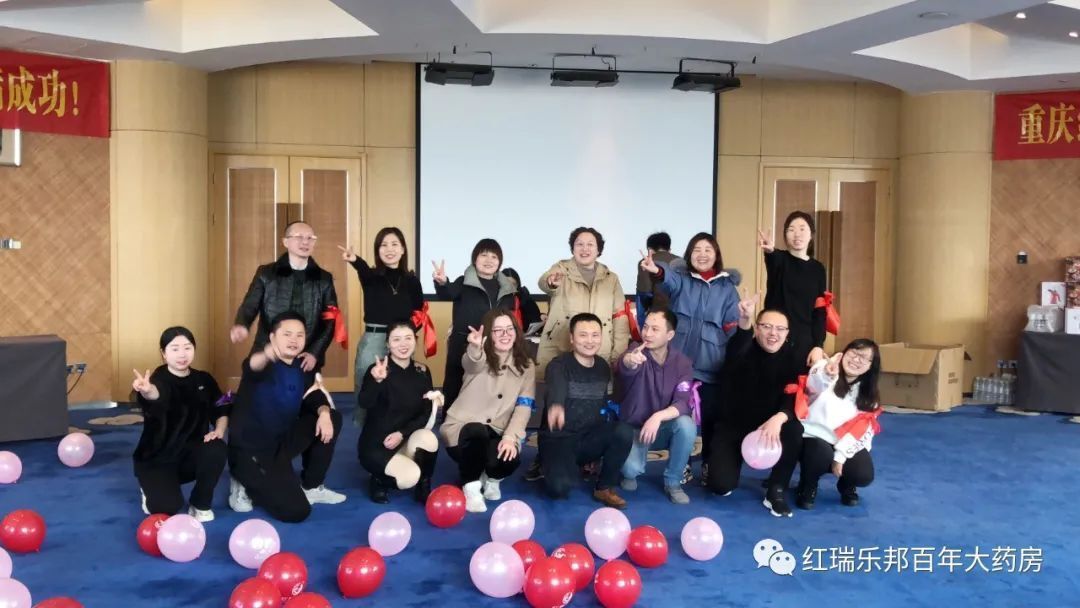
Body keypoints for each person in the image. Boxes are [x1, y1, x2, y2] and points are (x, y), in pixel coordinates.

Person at [525, 227, 631, 482]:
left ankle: (589, 455)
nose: (585, 249)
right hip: (561, 347)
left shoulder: (611, 278)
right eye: (579, 244)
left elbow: (620, 318)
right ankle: (544, 456)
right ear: (572, 248)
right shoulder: (562, 269)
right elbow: (545, 282)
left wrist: (617, 352)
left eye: (590, 244)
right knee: (555, 401)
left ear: (598, 249)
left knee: (594, 404)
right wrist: (551, 282)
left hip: (597, 348)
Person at [640, 232, 740, 486]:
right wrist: (657, 270)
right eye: (697, 249)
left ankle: (708, 463)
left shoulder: (727, 287)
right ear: (688, 255)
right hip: (680, 365)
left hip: (711, 365)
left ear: (716, 255)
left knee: (711, 419)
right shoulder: (681, 278)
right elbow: (667, 278)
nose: (702, 254)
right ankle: (681, 463)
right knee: (678, 415)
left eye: (708, 249)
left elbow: (733, 326)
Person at [227, 312, 346, 523]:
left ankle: (311, 485)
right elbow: (253, 366)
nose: (294, 340)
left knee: (332, 417)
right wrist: (267, 354)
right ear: (272, 337)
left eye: (300, 335)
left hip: (281, 445)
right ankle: (243, 481)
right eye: (287, 334)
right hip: (251, 451)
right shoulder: (261, 363)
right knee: (297, 511)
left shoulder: (302, 366)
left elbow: (314, 396)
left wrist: (324, 413)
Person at [706, 299, 804, 518]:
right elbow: (739, 342)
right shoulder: (743, 349)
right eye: (767, 326)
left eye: (780, 329)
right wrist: (744, 319)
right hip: (734, 426)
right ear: (757, 329)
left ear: (787, 333)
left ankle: (776, 489)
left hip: (769, 426)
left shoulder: (793, 358)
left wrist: (780, 417)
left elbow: (794, 395)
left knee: (794, 428)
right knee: (720, 486)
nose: (773, 333)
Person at [440, 310, 536, 512]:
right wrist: (475, 347)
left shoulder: (527, 366)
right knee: (476, 431)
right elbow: (471, 363)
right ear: (489, 335)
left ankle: (492, 478)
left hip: (498, 430)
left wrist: (510, 437)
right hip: (464, 429)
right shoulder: (479, 356)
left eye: (509, 329)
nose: (505, 334)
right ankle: (471, 486)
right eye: (498, 330)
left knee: (508, 457)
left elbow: (524, 406)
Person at [538, 313, 635, 509]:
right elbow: (556, 388)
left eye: (595, 335)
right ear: (572, 338)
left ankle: (604, 487)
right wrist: (556, 405)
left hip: (588, 438)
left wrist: (597, 453)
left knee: (623, 430)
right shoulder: (558, 365)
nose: (590, 341)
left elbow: (602, 406)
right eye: (583, 335)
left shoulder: (602, 367)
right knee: (559, 489)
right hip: (560, 440)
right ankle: (546, 463)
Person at [132, 327, 228, 523]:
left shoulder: (204, 379)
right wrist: (147, 391)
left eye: (187, 347)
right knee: (167, 508)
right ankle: (149, 488)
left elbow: (223, 405)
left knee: (216, 448)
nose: (182, 354)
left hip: (189, 456)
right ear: (163, 353)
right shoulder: (158, 380)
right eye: (174, 349)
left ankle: (200, 503)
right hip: (157, 459)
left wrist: (219, 430)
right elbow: (156, 394)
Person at [339, 227, 424, 427]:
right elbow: (362, 268)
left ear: (403, 249)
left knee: (400, 387)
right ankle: (364, 429)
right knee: (367, 383)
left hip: (401, 340)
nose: (389, 249)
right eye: (383, 245)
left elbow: (419, 313)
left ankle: (400, 429)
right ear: (378, 250)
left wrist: (407, 337)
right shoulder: (371, 276)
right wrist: (354, 260)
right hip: (374, 339)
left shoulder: (412, 281)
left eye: (394, 244)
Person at [231, 221, 340, 372]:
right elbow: (250, 305)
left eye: (310, 238)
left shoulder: (324, 279)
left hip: (305, 353)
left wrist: (315, 352)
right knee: (257, 384)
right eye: (299, 237)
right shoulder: (266, 273)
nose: (305, 242)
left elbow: (331, 320)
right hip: (269, 348)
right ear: (285, 242)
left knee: (304, 387)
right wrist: (242, 324)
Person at [614, 309, 696, 504]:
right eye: (645, 327)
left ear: (670, 335)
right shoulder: (636, 351)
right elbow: (623, 365)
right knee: (631, 471)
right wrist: (630, 361)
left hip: (662, 428)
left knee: (686, 425)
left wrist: (657, 417)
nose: (647, 333)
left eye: (655, 329)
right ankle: (629, 473)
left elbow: (683, 401)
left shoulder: (682, 363)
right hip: (634, 429)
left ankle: (673, 482)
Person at [356, 321, 443, 504]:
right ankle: (378, 479)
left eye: (408, 338)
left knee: (429, 439)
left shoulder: (422, 371)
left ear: (415, 341)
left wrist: (402, 433)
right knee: (408, 478)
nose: (403, 344)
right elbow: (364, 402)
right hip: (379, 444)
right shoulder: (377, 369)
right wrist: (377, 381)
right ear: (387, 344)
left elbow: (426, 413)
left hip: (405, 437)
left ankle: (424, 484)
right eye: (396, 339)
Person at [796, 339, 882, 510]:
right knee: (818, 454)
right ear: (843, 353)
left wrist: (840, 456)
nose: (856, 360)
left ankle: (847, 483)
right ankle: (808, 484)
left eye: (864, 358)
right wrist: (827, 374)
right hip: (814, 436)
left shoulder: (869, 394)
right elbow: (813, 384)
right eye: (853, 353)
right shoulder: (824, 368)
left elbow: (862, 430)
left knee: (863, 474)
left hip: (842, 441)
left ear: (871, 365)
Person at [432, 239, 517, 405]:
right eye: (484, 255)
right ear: (475, 259)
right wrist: (442, 283)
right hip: (463, 344)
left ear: (499, 262)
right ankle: (451, 419)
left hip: (494, 346)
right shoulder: (463, 282)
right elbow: (446, 294)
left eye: (494, 256)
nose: (489, 260)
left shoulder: (506, 288)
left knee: (488, 390)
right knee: (455, 388)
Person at [759, 211, 829, 369]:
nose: (797, 234)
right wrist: (769, 250)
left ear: (811, 234)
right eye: (791, 229)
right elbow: (773, 256)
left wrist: (818, 345)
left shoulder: (818, 269)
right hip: (775, 337)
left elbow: (820, 310)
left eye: (802, 229)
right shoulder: (779, 259)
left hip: (804, 342)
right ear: (785, 235)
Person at [635, 232, 677, 327]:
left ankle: (643, 328)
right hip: (677, 314)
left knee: (641, 295)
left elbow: (644, 292)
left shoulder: (644, 262)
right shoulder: (681, 262)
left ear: (650, 250)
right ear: (669, 249)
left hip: (654, 312)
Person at [501, 267, 543, 331]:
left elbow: (536, 321)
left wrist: (542, 317)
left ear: (517, 286)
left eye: (513, 284)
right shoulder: (491, 301)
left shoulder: (526, 300)